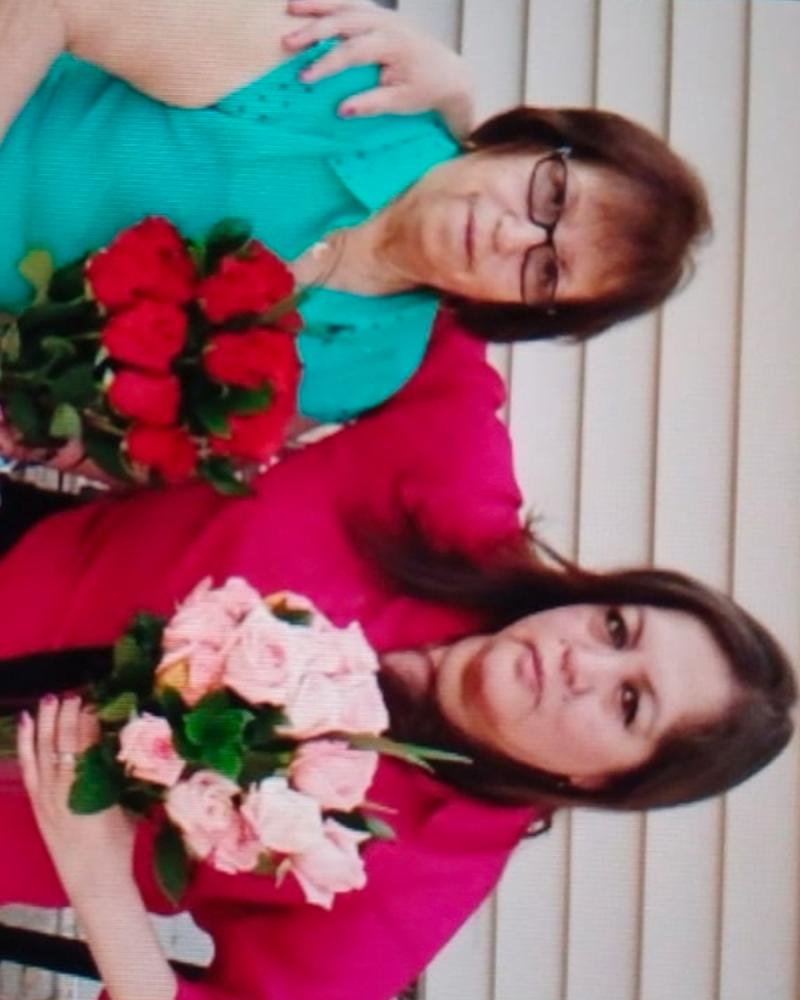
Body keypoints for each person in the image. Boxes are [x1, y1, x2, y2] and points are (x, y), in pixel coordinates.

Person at [0, 314, 793, 1000]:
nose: (583, 664)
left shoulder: (413, 879)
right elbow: (443, 267)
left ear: (607, 781)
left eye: (628, 703)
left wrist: (99, 879)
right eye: (616, 628)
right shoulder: (454, 497)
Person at [0, 0, 710, 432]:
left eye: (547, 271)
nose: (512, 234)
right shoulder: (352, 80)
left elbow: (121, 440)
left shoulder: (368, 367)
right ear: (531, 141)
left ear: (524, 311)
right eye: (550, 197)